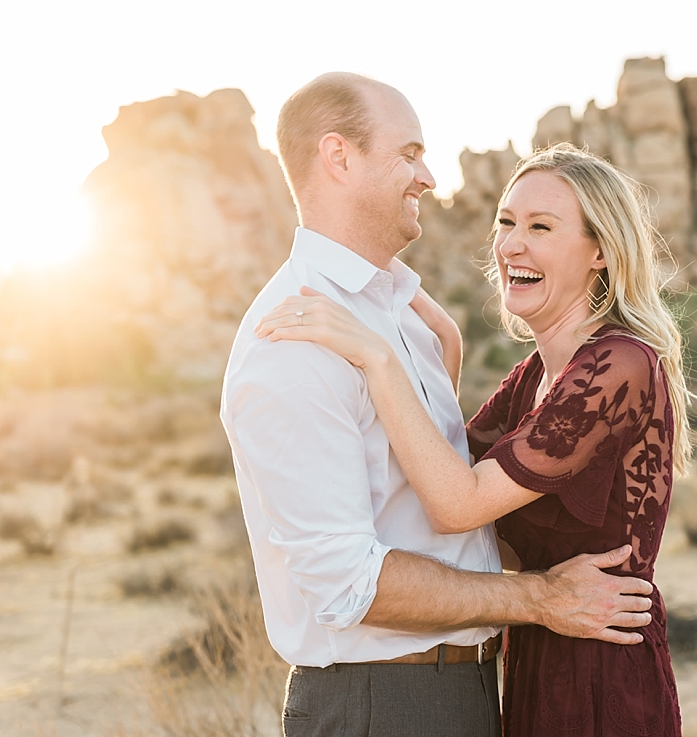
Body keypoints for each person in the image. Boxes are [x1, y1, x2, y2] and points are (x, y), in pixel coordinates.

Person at [221, 75, 654, 737]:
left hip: (478, 684)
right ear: (339, 158)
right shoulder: (297, 339)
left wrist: (435, 366)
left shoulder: (402, 321)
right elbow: (349, 584)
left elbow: (447, 500)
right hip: (386, 703)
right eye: (410, 152)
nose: (428, 175)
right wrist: (539, 598)